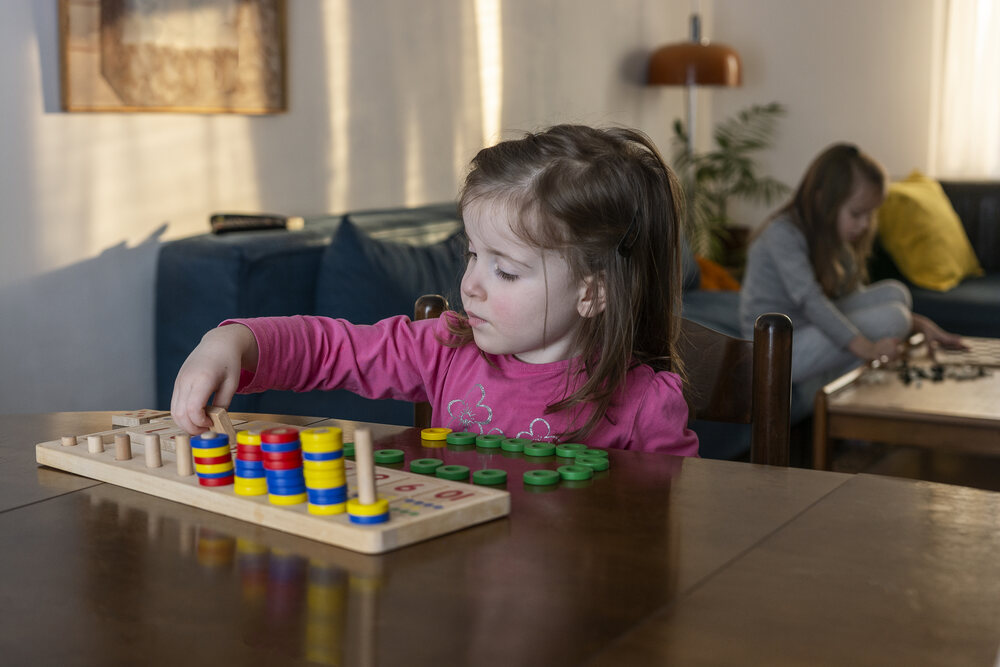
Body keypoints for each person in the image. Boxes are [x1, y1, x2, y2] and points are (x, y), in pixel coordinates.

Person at [171, 124, 699, 455]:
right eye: (472, 255)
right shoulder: (444, 349)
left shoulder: (646, 404)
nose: (470, 286)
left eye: (506, 271)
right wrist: (234, 343)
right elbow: (333, 348)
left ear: (593, 292)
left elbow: (676, 526)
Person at [739, 142, 965, 386]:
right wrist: (868, 348)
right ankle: (846, 372)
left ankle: (847, 370)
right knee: (894, 318)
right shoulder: (782, 234)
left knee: (896, 293)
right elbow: (811, 301)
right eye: (857, 214)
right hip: (776, 348)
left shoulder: (832, 237)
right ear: (822, 200)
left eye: (870, 215)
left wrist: (922, 325)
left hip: (807, 327)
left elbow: (852, 295)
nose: (865, 224)